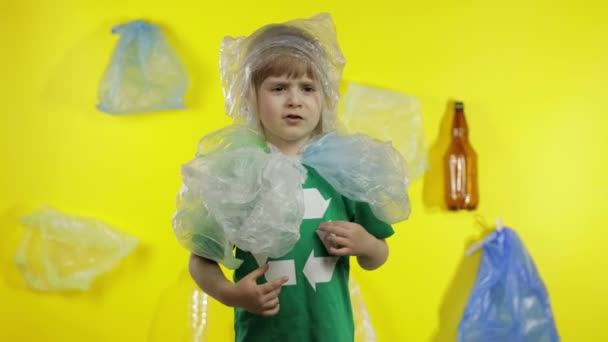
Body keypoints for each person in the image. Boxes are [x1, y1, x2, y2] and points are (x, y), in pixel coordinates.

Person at [174, 13, 410, 342]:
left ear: (325, 97)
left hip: (331, 334)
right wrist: (231, 294)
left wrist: (366, 243)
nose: (294, 99)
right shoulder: (236, 174)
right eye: (279, 87)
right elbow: (200, 261)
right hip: (262, 335)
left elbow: (378, 256)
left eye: (308, 88)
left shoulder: (341, 171)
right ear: (250, 97)